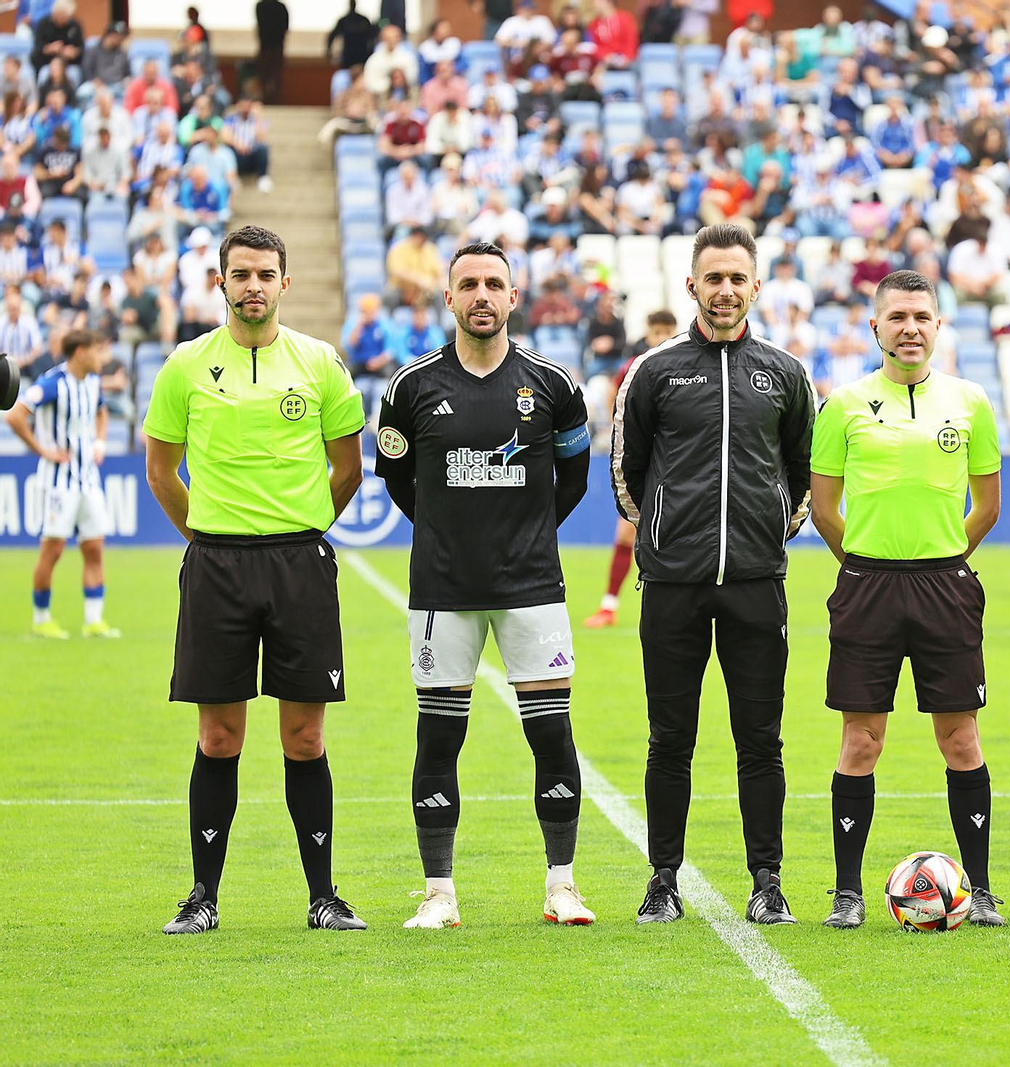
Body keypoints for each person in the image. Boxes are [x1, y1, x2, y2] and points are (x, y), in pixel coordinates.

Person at [143, 225, 368, 935]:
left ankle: (324, 897)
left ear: (285, 283)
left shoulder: (320, 362)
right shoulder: (184, 365)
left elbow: (348, 468)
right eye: (241, 274)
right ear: (221, 282)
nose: (253, 286)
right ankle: (202, 898)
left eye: (266, 274)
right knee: (219, 736)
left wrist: (302, 529)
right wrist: (207, 538)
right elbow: (161, 471)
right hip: (217, 567)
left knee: (305, 736)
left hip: (301, 564)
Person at [375, 242, 595, 929]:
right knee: (439, 739)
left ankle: (562, 885)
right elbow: (399, 480)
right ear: (448, 298)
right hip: (442, 591)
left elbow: (575, 477)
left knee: (552, 734)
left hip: (533, 589)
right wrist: (446, 531)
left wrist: (529, 534)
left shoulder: (553, 384)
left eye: (493, 284)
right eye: (468, 284)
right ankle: (439, 893)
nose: (481, 295)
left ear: (512, 296)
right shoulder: (410, 387)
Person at [610, 224, 814, 924]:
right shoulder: (654, 371)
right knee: (670, 739)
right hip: (674, 586)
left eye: (737, 278)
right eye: (713, 278)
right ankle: (662, 880)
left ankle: (768, 881)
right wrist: (662, 539)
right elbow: (627, 471)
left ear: (756, 286)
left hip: (757, 584)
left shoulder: (785, 373)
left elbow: (804, 469)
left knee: (761, 741)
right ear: (692, 285)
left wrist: (770, 529)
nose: (725, 290)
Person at [808, 270, 1003, 929]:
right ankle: (847, 894)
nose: (910, 328)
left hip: (946, 585)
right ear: (875, 327)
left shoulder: (971, 401)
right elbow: (824, 509)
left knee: (961, 737)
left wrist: (942, 559)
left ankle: (981, 891)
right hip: (867, 586)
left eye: (921, 316)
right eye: (897, 317)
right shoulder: (843, 405)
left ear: (939, 325)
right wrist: (866, 563)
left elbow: (987, 506)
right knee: (861, 740)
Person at [5, 329, 116, 639]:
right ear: (80, 352)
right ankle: (41, 619)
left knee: (94, 547)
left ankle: (93, 620)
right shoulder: (53, 383)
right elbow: (15, 416)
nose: (101, 357)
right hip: (58, 482)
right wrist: (42, 450)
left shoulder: (92, 382)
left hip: (88, 479)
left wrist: (100, 443)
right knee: (52, 550)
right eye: (96, 350)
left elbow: (101, 412)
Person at [584, 309, 679, 630]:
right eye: (657, 332)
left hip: (678, 465)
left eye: (668, 332)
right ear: (647, 334)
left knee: (676, 537)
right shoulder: (634, 367)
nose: (662, 338)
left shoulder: (687, 365)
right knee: (627, 532)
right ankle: (608, 607)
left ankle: (676, 608)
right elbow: (615, 395)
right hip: (644, 463)